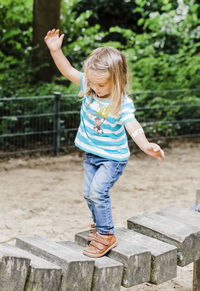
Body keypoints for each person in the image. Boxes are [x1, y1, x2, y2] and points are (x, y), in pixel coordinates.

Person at [44, 29, 165, 258]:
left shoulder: (121, 102)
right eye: (93, 84)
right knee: (88, 193)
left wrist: (145, 144)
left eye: (102, 85)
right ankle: (99, 225)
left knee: (98, 192)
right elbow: (67, 69)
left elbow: (132, 125)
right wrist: (56, 51)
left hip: (112, 158)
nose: (96, 89)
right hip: (91, 154)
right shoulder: (89, 86)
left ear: (117, 80)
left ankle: (107, 234)